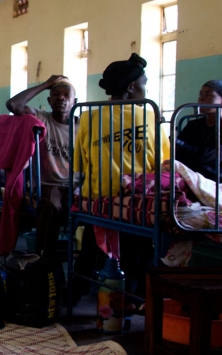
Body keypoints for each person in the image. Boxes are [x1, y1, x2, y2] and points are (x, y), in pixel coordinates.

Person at [71, 53, 167, 306]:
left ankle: (75, 292)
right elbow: (163, 163)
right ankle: (141, 299)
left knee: (90, 248)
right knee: (142, 249)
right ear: (131, 87)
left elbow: (79, 161)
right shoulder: (148, 115)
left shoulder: (90, 114)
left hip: (98, 198)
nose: (146, 88)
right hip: (136, 200)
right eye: (144, 83)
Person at [5, 74, 78, 257]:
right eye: (55, 94)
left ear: (75, 101)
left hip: (78, 186)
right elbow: (13, 105)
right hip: (49, 185)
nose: (61, 97)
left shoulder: (84, 125)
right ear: (49, 99)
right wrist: (46, 84)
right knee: (51, 207)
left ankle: (87, 271)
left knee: (97, 208)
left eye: (66, 94)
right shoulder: (41, 118)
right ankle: (43, 261)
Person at [175, 80, 222, 181]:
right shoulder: (194, 125)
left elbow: (208, 156)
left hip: (215, 178)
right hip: (190, 175)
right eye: (200, 94)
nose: (201, 98)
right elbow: (177, 154)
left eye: (208, 94)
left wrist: (181, 144)